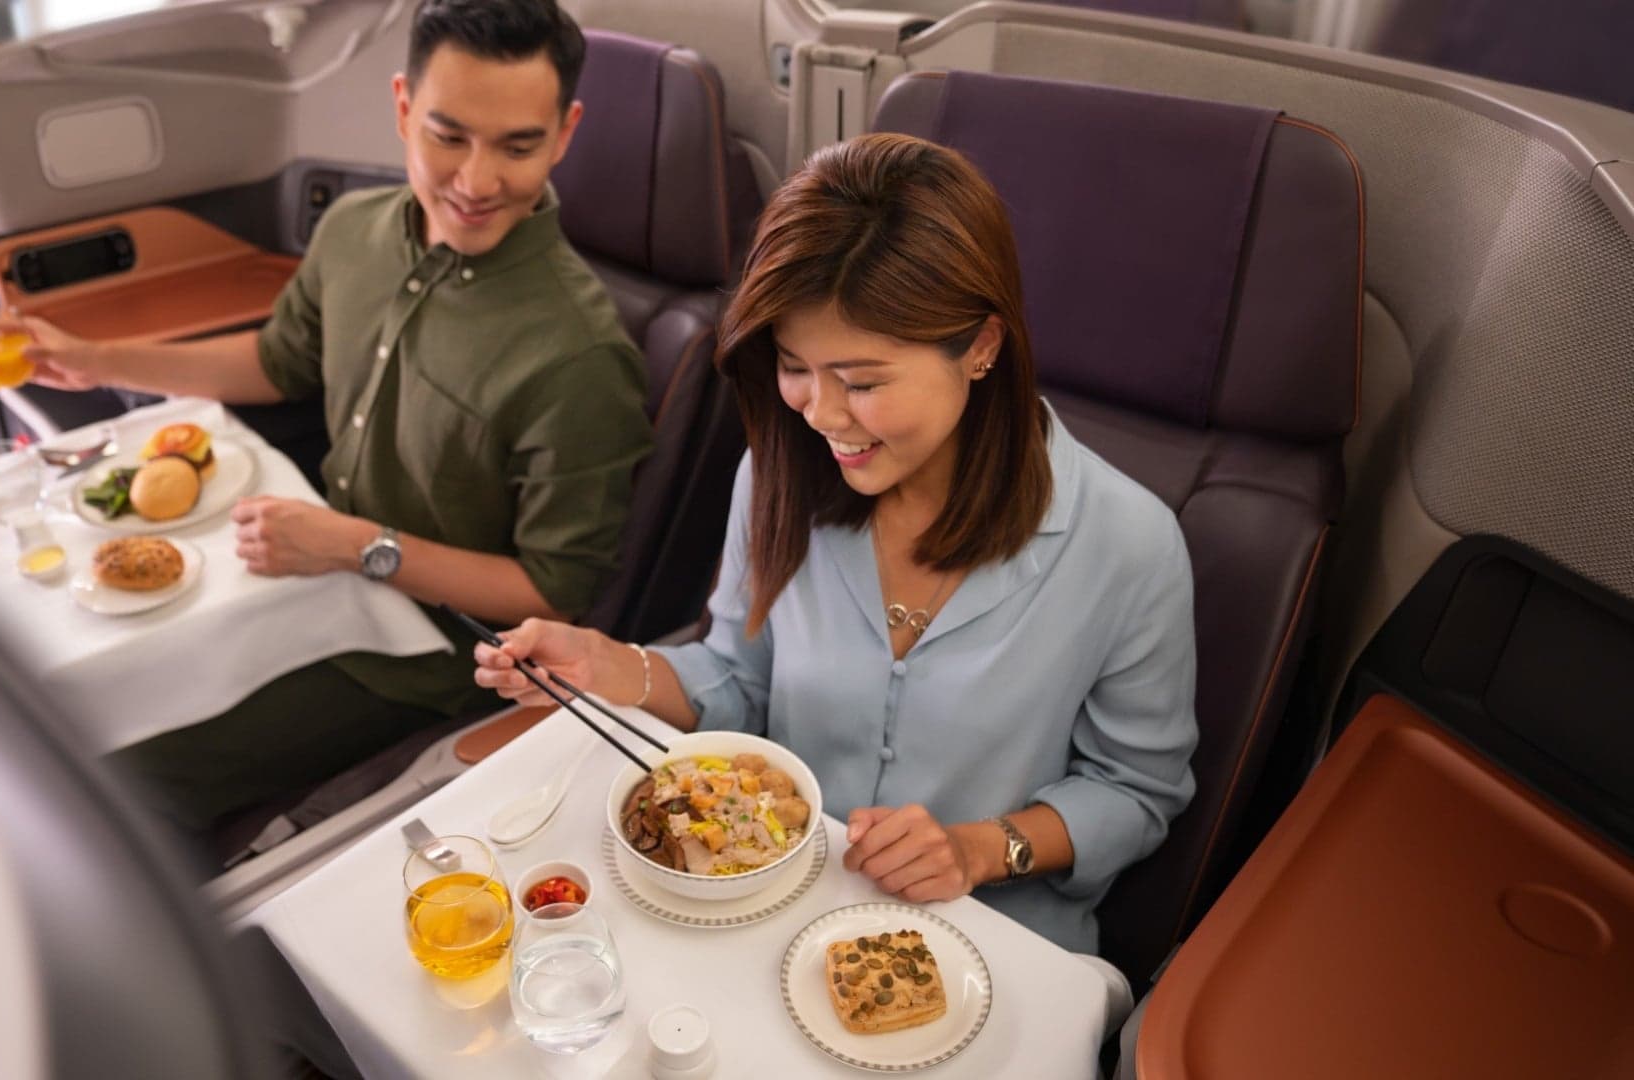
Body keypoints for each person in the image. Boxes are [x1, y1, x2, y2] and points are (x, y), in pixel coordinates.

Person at [475, 132, 1198, 954]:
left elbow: (1136, 793)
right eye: (793, 367)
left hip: (988, 941)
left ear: (983, 347)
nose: (818, 414)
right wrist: (611, 665)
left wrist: (978, 848)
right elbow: (741, 684)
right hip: (775, 897)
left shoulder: (1129, 545)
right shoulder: (778, 473)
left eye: (861, 382)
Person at [22, 0, 653, 831]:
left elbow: (548, 596)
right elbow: (279, 362)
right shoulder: (354, 230)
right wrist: (101, 359)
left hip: (421, 657)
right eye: (448, 135)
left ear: (564, 134)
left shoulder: (578, 355)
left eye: (518, 145)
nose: (474, 180)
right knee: (44, 686)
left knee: (116, 775)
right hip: (306, 567)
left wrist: (360, 548)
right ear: (401, 108)